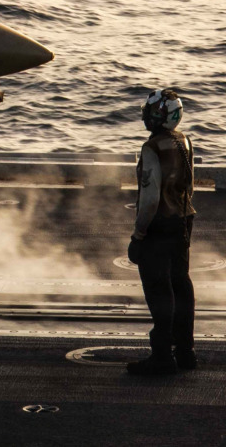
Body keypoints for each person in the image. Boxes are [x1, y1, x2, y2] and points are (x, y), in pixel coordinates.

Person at [127, 88, 197, 376]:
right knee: (181, 283)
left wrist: (138, 234)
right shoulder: (185, 141)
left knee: (159, 288)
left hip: (159, 225)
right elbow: (189, 185)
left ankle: (161, 356)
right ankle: (185, 351)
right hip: (183, 220)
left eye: (150, 112)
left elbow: (150, 198)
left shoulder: (152, 147)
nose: (146, 116)